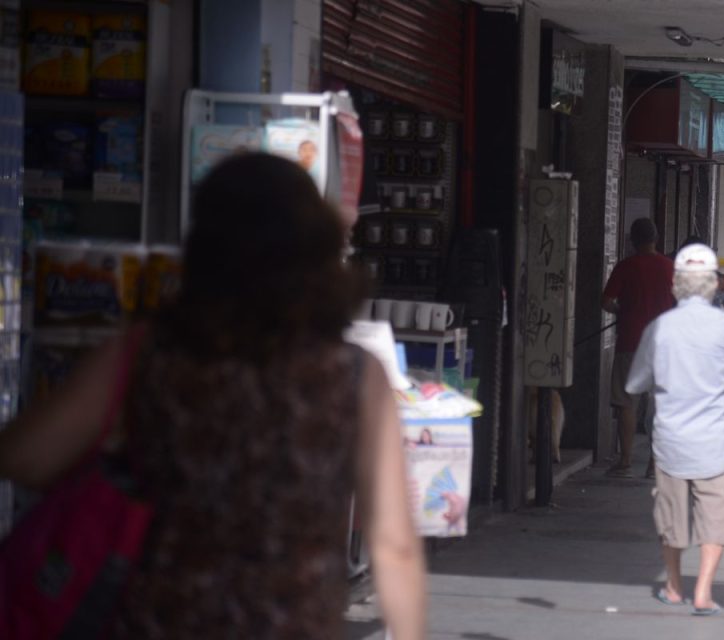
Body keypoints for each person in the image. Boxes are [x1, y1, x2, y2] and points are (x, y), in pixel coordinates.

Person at [0, 153, 426, 638]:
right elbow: (393, 542)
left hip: (163, 620)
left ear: (204, 249)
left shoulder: (147, 352)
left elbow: (25, 457)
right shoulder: (355, 375)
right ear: (318, 249)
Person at [626, 243, 724, 617]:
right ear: (714, 284)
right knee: (716, 519)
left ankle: (674, 587)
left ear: (676, 283)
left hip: (670, 444)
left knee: (672, 519)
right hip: (716, 446)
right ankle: (704, 593)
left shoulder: (660, 327)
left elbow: (635, 383)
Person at [602, 218, 675, 478]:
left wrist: (623, 310)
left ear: (632, 240)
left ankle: (625, 461)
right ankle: (654, 464)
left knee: (626, 403)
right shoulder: (670, 268)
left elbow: (607, 301)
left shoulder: (626, 266)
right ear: (656, 239)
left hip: (631, 342)